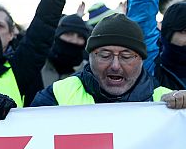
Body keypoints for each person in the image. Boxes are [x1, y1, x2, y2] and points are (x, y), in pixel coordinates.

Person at [31, 13, 186, 108]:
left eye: (126, 56)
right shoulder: (58, 94)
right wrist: (8, 116)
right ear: (90, 56)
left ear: (141, 60)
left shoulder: (164, 100)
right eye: (105, 55)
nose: (115, 66)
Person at [40, 14, 91, 86]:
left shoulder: (88, 73)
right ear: (57, 36)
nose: (74, 40)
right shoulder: (39, 63)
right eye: (68, 34)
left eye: (80, 36)